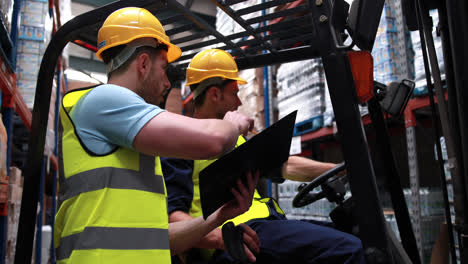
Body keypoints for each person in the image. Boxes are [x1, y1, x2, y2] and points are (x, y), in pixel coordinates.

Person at [54, 8, 261, 264]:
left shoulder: (135, 146)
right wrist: (232, 124)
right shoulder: (103, 100)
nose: (166, 83)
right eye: (164, 69)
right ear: (143, 64)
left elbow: (159, 240)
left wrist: (218, 217)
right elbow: (215, 141)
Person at [162, 49, 366, 264]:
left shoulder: (236, 138)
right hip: (238, 236)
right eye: (234, 93)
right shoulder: (183, 142)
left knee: (357, 234)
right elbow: (174, 216)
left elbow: (284, 166)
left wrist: (345, 169)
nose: (239, 102)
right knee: (352, 250)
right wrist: (222, 238)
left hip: (267, 224)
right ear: (215, 94)